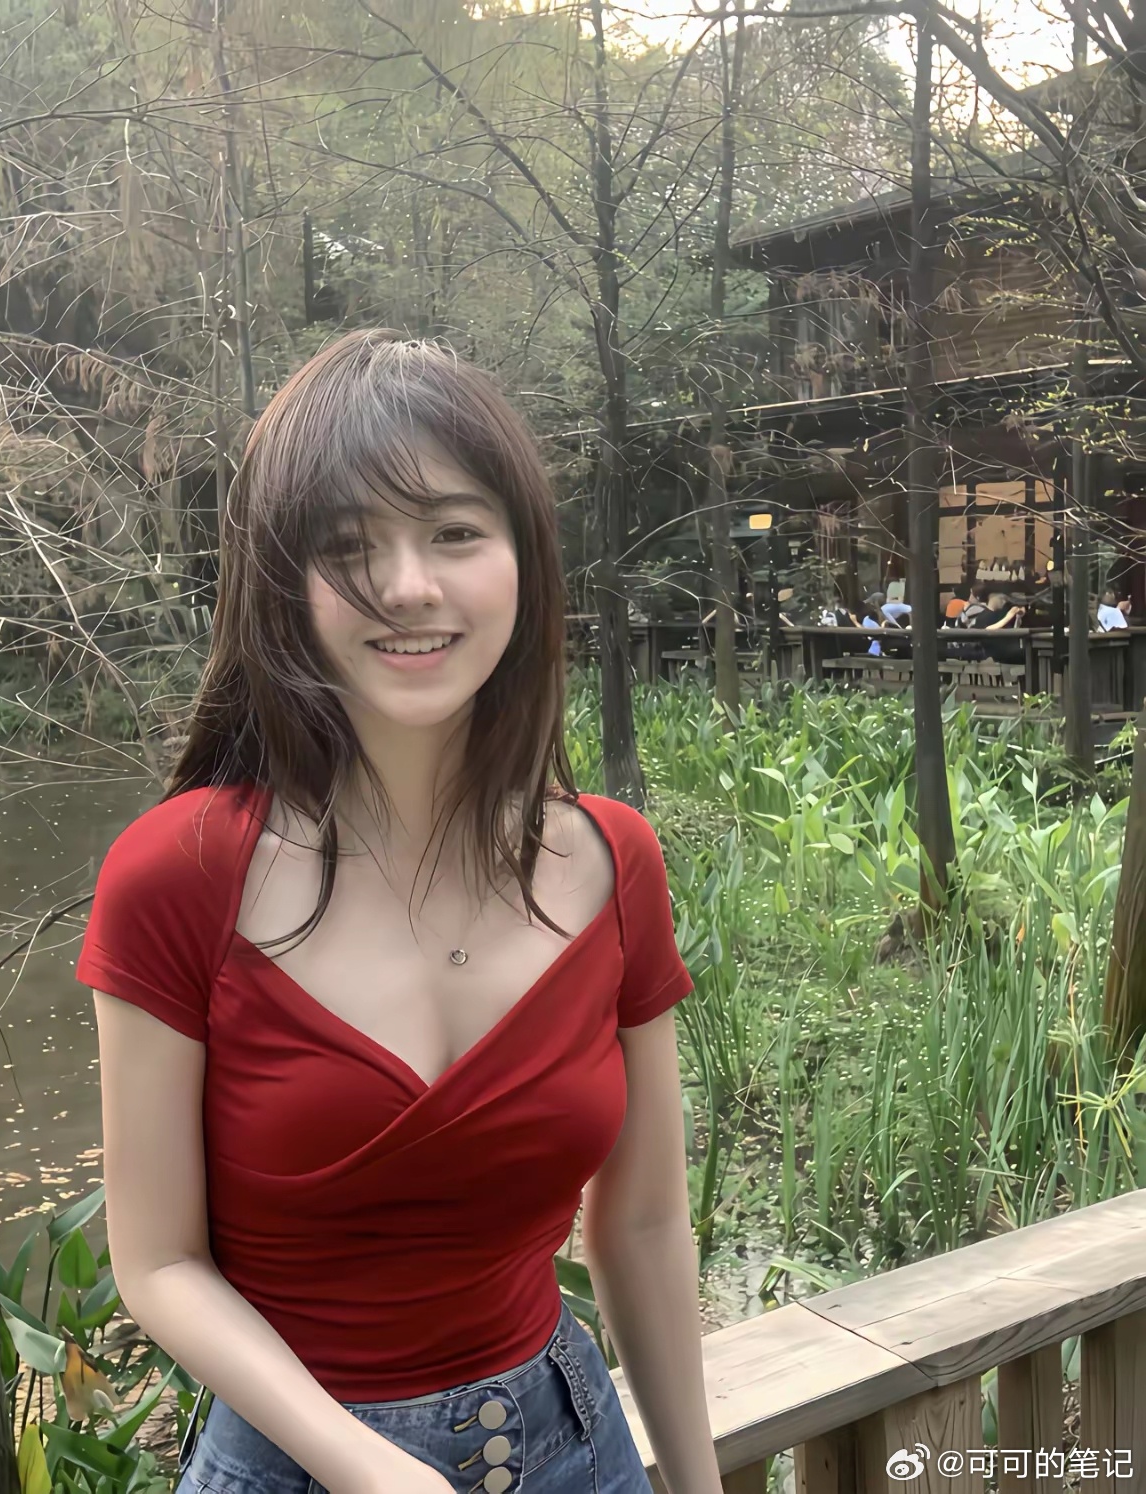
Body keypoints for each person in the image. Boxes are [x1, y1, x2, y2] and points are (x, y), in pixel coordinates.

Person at [76, 330, 722, 1494]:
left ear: (524, 559)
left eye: (454, 532)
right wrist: (370, 1470)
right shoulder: (175, 877)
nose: (409, 585)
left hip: (577, 1451)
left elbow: (638, 1228)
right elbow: (158, 1261)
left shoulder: (611, 863)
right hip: (292, 1468)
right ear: (280, 582)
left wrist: (695, 1481)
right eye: (347, 547)